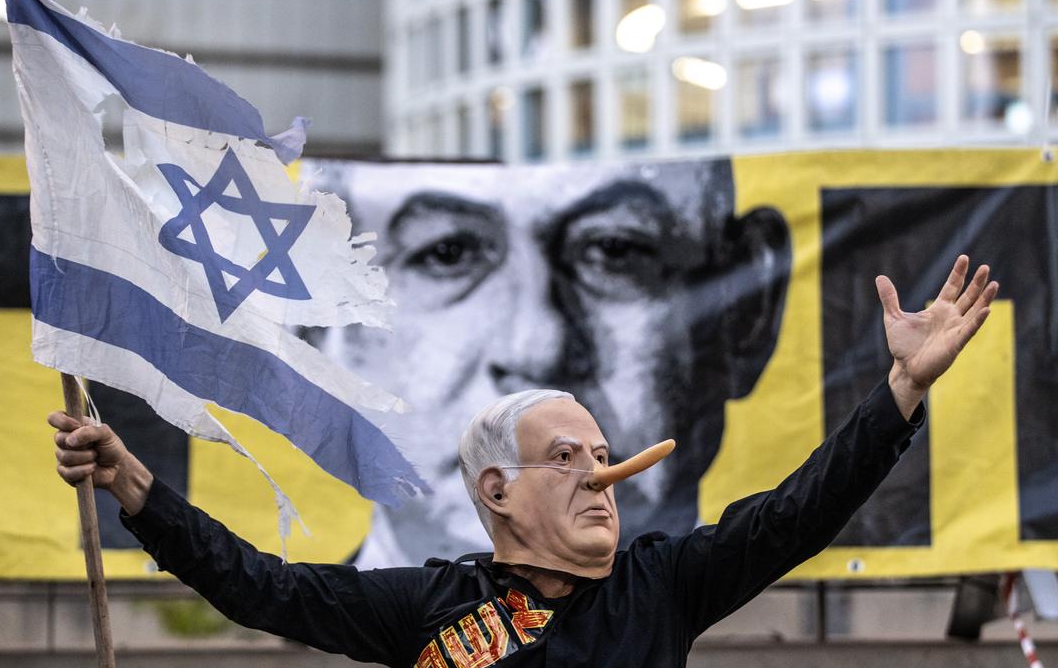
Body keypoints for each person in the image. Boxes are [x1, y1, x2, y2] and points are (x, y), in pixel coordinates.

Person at [50, 256, 997, 668]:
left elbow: (801, 511)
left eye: (603, 454)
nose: (601, 473)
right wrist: (136, 485)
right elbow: (261, 584)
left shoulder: (662, 587)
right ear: (496, 490)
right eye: (568, 457)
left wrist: (903, 388)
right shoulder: (427, 607)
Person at [307, 158, 791, 566]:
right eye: (446, 253)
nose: (538, 347)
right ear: (313, 323)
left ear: (748, 311)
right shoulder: (339, 620)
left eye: (614, 250)